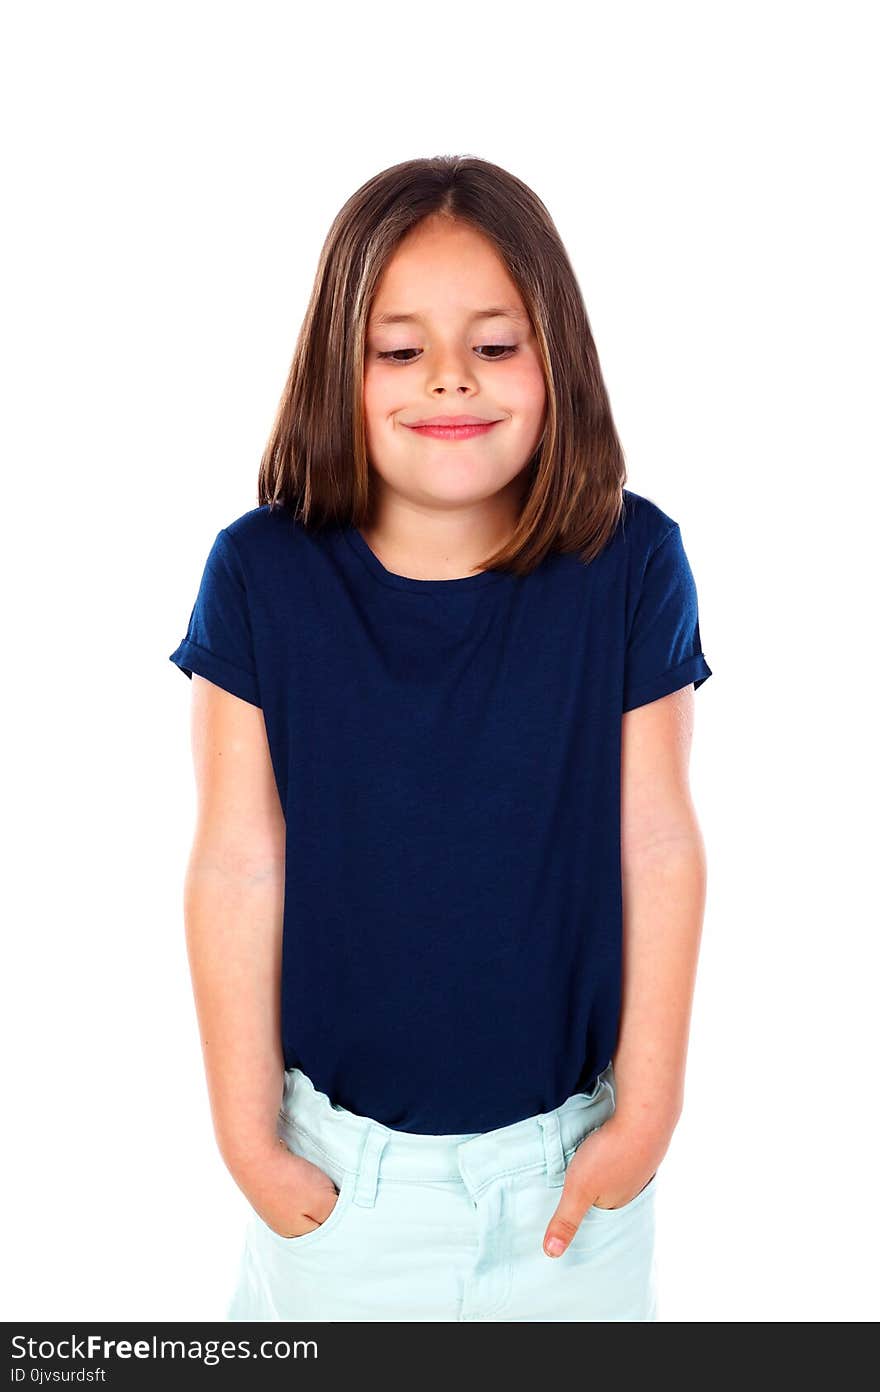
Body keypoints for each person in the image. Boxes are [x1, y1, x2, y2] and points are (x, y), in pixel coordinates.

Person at [168, 155, 713, 1322]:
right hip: (334, 1188)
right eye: (400, 350)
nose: (451, 380)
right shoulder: (259, 575)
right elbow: (234, 861)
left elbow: (658, 840)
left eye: (496, 344)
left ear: (556, 354)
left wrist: (646, 1116)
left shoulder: (630, 566)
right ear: (338, 371)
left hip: (574, 1182)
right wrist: (250, 1145)